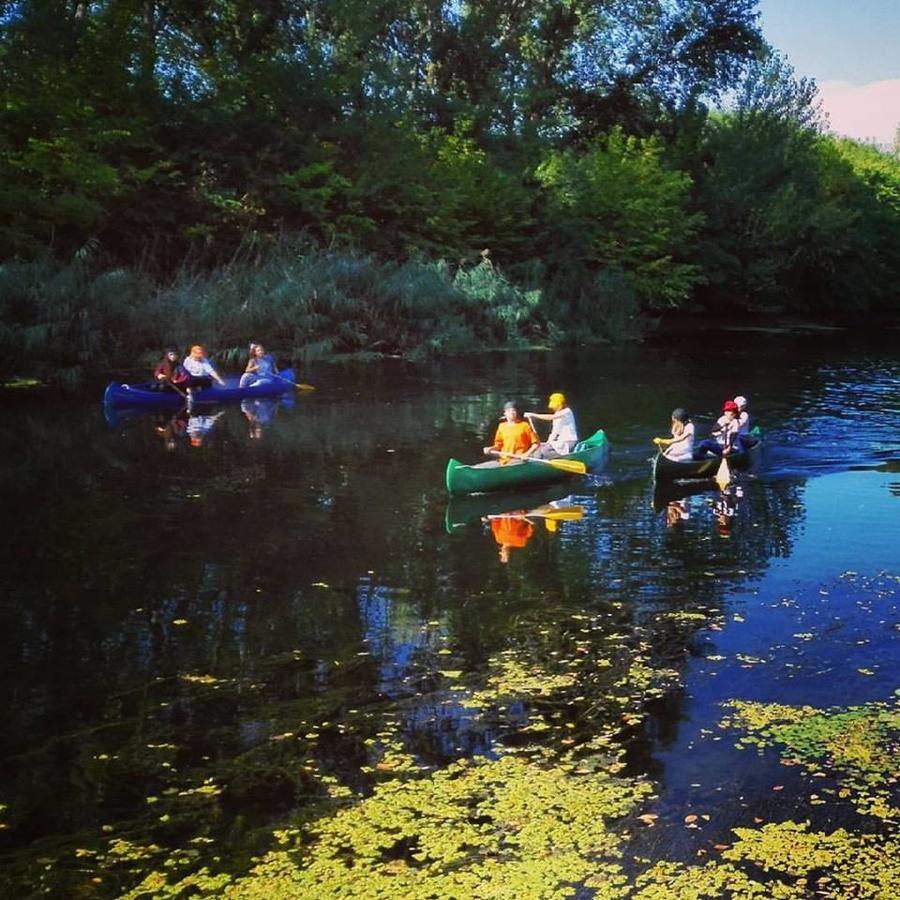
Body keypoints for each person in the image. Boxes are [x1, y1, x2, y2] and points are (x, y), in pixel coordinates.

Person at [525, 392, 578, 457]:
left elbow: (550, 417)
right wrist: (548, 442)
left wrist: (533, 415)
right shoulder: (556, 415)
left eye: (556, 406)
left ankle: (565, 458)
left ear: (562, 404)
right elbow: (554, 433)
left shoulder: (567, 411)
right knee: (539, 450)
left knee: (545, 451)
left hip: (569, 441)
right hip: (560, 442)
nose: (554, 408)